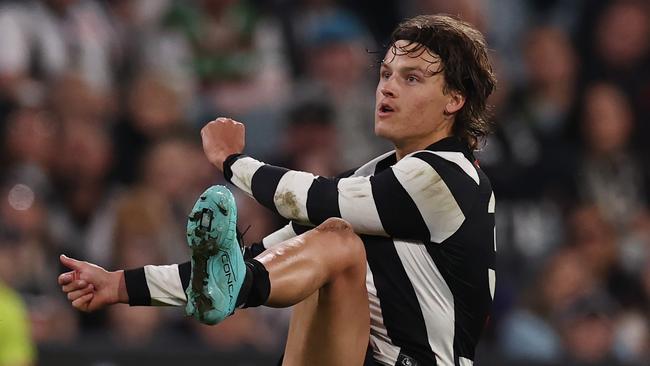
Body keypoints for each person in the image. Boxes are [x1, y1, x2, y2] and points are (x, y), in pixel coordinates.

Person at [58, 14, 497, 366]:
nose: (387, 86)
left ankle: (241, 289)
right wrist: (119, 285)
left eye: (412, 78)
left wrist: (233, 162)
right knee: (309, 246)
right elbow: (252, 260)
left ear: (454, 99)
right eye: (386, 73)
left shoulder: (449, 175)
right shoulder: (373, 178)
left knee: (334, 236)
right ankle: (240, 289)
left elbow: (315, 199)